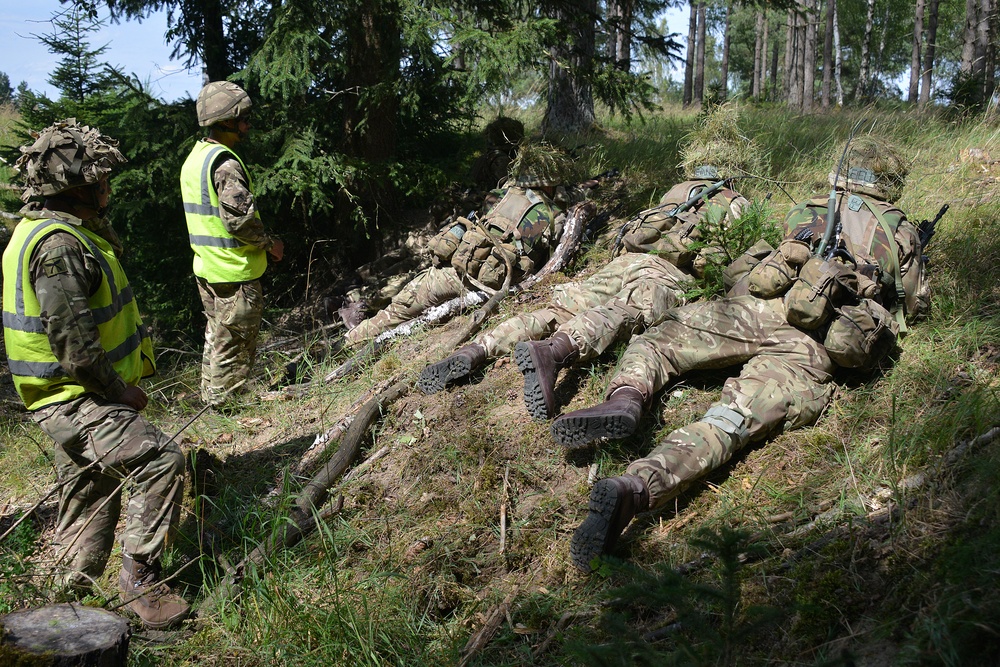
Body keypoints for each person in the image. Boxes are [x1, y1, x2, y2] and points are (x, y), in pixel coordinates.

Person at [557, 136, 930, 572]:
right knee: (732, 418)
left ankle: (627, 397)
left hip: (752, 310)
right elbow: (915, 306)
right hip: (813, 340)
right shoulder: (898, 229)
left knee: (660, 340)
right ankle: (635, 486)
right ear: (888, 180)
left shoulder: (810, 207)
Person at [418, 103, 766, 420]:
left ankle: (477, 350)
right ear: (735, 171)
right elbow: (731, 267)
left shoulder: (676, 190)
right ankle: (555, 352)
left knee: (561, 308)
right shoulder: (737, 202)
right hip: (667, 273)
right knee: (622, 312)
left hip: (626, 260)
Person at [2, 119, 190, 628]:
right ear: (77, 185)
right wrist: (119, 391)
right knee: (161, 459)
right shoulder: (58, 246)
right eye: (100, 178)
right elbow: (77, 347)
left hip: (60, 399)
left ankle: (62, 616)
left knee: (89, 497)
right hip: (79, 398)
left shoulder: (41, 232)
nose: (108, 186)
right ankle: (140, 583)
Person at [345, 144, 584, 345]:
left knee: (395, 313)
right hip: (493, 288)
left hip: (454, 273)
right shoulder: (555, 216)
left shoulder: (498, 195)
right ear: (550, 183)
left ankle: (347, 344)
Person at [180, 81, 283, 408]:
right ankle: (230, 412)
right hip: (234, 273)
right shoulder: (225, 164)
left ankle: (212, 405)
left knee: (216, 340)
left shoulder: (195, 158)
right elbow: (239, 221)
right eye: (242, 119)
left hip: (208, 269)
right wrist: (270, 244)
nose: (246, 126)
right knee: (234, 346)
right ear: (225, 121)